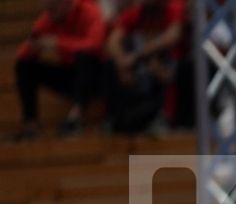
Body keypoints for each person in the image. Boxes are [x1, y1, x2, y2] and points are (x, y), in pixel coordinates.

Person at [12, 0, 106, 140]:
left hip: (98, 77)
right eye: (47, 8)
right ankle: (31, 125)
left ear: (67, 3)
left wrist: (58, 43)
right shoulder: (48, 18)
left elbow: (95, 45)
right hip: (71, 77)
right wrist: (34, 45)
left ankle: (75, 117)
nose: (49, 12)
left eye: (53, 8)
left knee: (85, 57)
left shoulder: (89, 11)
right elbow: (23, 53)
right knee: (24, 66)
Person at [104, 0, 189, 135]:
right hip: (143, 75)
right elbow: (112, 41)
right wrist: (122, 63)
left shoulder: (173, 8)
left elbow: (173, 36)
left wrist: (139, 55)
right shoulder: (136, 13)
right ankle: (115, 121)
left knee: (185, 70)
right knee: (110, 65)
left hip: (168, 70)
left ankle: (167, 119)